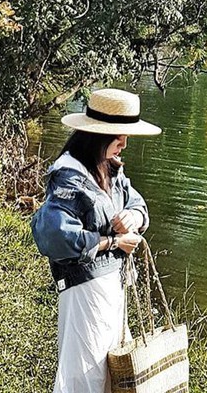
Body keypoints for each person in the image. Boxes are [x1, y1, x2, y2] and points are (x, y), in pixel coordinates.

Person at [31, 88, 161, 393]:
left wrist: (133, 218)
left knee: (108, 370)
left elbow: (139, 204)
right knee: (84, 371)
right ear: (97, 136)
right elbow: (54, 236)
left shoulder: (110, 168)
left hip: (113, 284)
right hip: (84, 287)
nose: (124, 143)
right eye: (119, 136)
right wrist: (113, 242)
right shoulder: (68, 176)